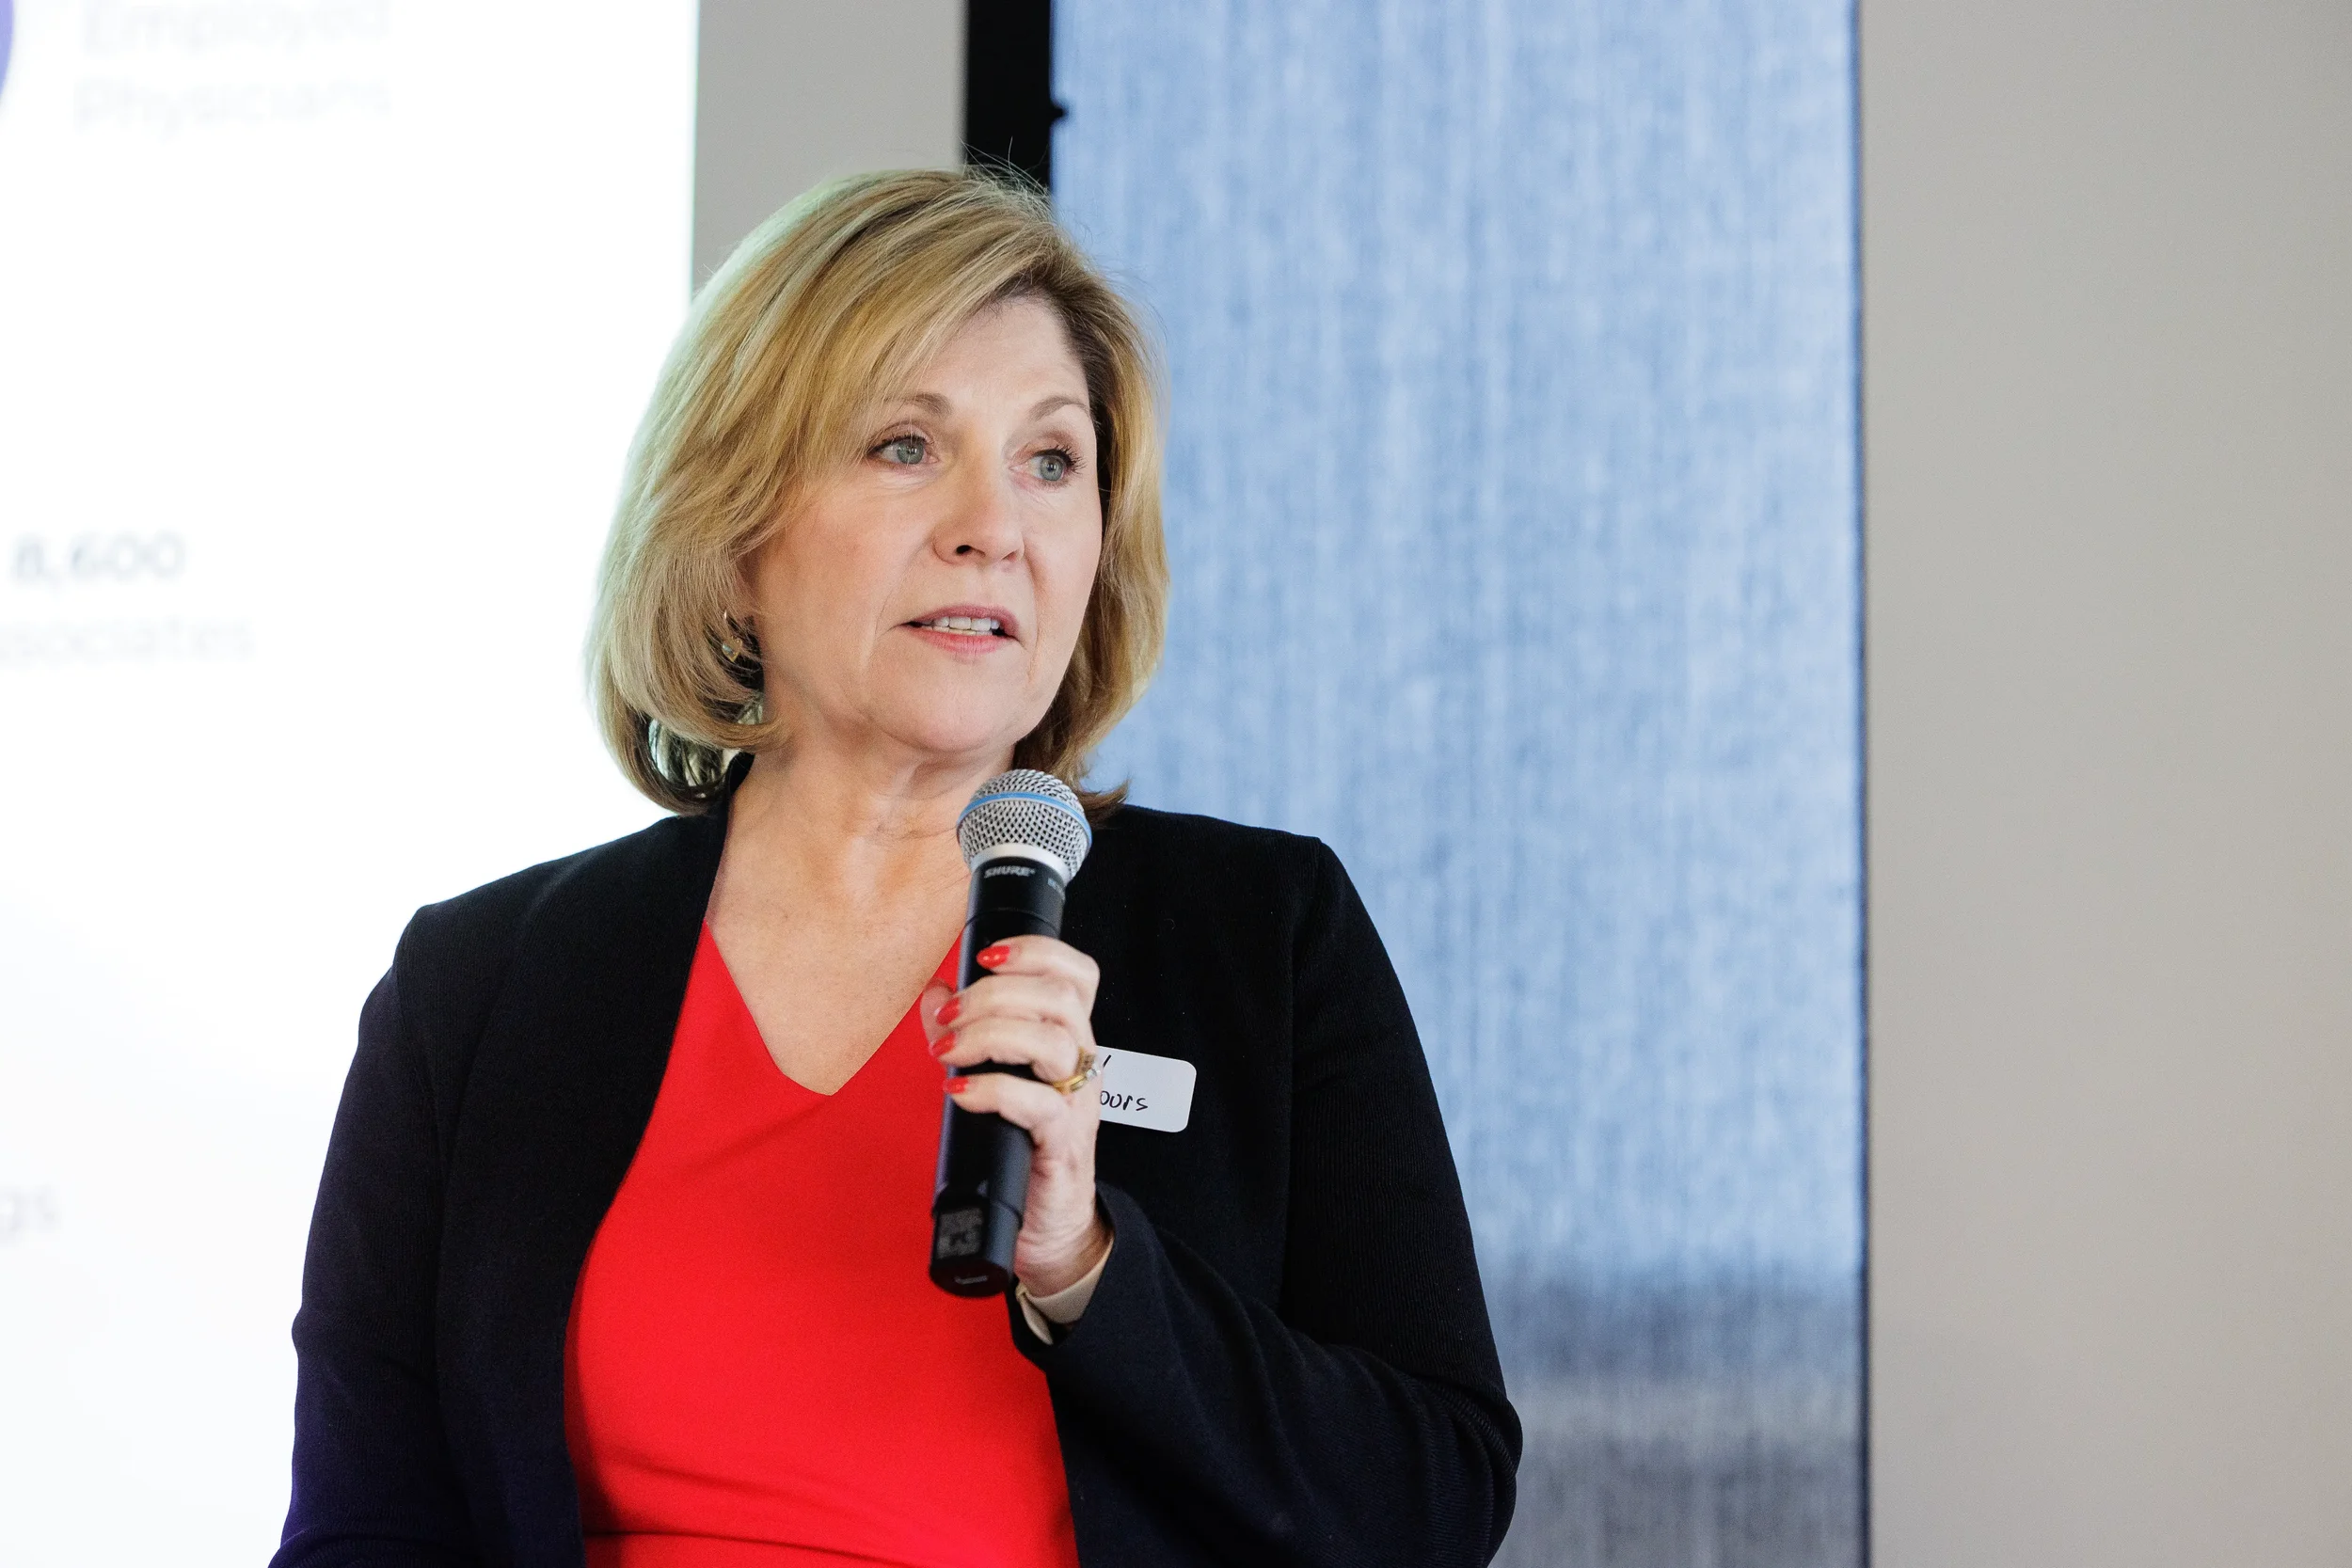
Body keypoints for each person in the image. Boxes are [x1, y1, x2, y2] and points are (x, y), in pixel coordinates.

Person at [273, 169, 1518, 1568]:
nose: (997, 522)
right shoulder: (484, 986)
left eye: (1051, 461)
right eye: (906, 447)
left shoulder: (1264, 939)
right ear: (733, 532)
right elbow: (361, 1526)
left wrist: (1092, 1269)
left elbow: (1435, 1499)